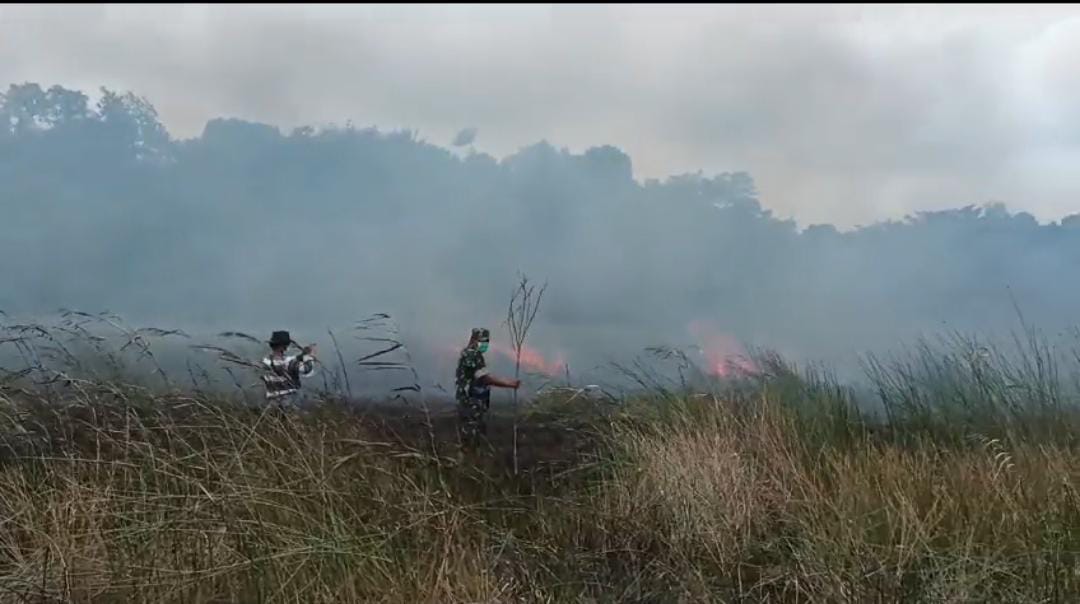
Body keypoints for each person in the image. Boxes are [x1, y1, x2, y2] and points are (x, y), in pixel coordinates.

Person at [455, 327, 520, 451]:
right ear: (475, 339)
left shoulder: (471, 354)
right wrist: (510, 384)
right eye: (483, 341)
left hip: (472, 404)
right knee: (472, 440)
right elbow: (484, 379)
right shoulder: (472, 355)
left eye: (487, 341)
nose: (485, 344)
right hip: (471, 404)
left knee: (472, 439)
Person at [261, 330, 318, 408]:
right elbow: (306, 369)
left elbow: (285, 362)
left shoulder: (265, 362)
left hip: (272, 403)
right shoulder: (289, 363)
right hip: (290, 402)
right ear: (283, 346)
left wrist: (302, 355)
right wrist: (310, 356)